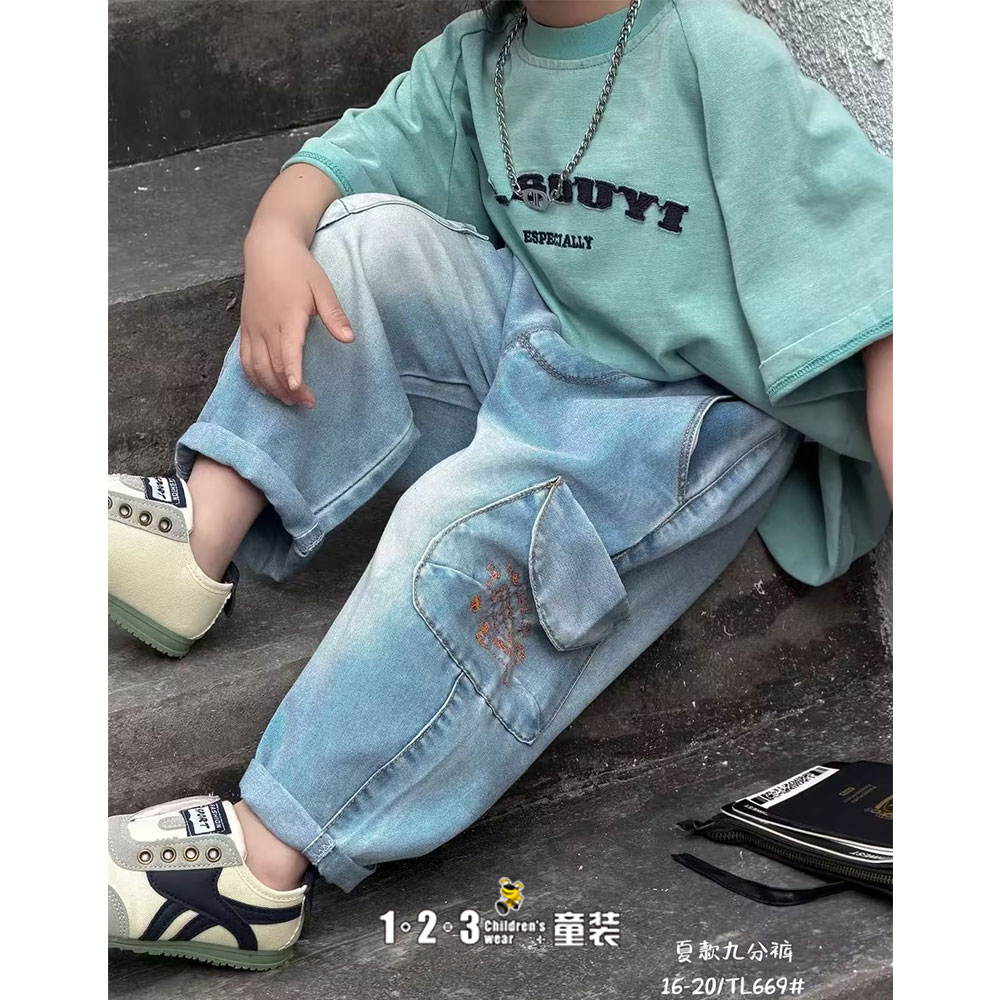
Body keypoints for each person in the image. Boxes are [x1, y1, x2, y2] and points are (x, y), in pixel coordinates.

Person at [107, 0, 892, 969]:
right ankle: (200, 535)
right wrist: (274, 231)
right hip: (541, 336)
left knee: (461, 529)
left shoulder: (711, 51)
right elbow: (349, 155)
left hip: (676, 420)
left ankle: (260, 864)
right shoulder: (485, 51)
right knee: (357, 240)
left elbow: (886, 292)